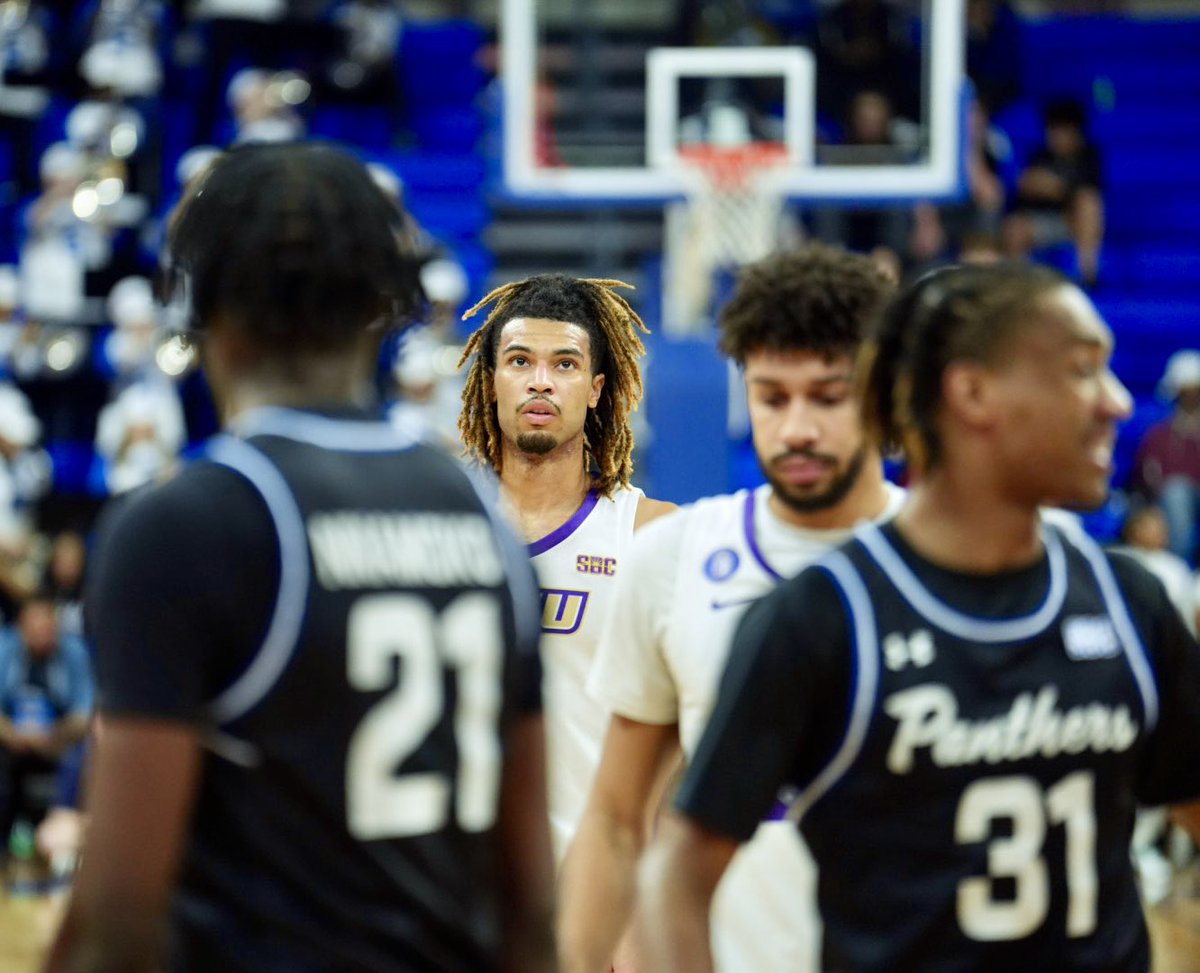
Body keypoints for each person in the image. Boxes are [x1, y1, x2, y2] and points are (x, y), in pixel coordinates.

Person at [45, 143, 555, 973]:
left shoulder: (189, 523)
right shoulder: (487, 518)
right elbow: (531, 906)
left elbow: (117, 918)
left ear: (205, 307)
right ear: (381, 306)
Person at [638, 262, 1200, 972]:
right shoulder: (823, 618)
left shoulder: (1130, 601)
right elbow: (677, 873)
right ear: (972, 392)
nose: (1118, 403)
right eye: (1082, 370)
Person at [558, 244, 901, 973]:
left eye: (828, 396)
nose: (797, 427)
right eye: (772, 396)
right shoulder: (674, 557)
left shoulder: (947, 559)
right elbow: (618, 820)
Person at [457, 273, 675, 862]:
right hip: (468, 904)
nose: (540, 382)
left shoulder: (652, 536)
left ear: (598, 388)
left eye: (565, 364)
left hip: (600, 898)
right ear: (492, 380)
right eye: (520, 361)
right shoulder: (446, 536)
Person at [0, 591, 93, 850]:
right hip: (12, 742)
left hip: (59, 744)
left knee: (84, 755)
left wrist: (54, 736)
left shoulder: (74, 650)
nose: (43, 635)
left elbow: (85, 713)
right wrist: (12, 734)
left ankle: (60, 850)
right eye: (36, 629)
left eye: (49, 628)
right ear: (22, 627)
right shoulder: (4, 647)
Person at [1132, 349, 1200, 565]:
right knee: (1176, 493)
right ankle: (1177, 567)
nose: (1192, 398)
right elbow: (1143, 483)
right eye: (1186, 391)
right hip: (1169, 507)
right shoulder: (1158, 437)